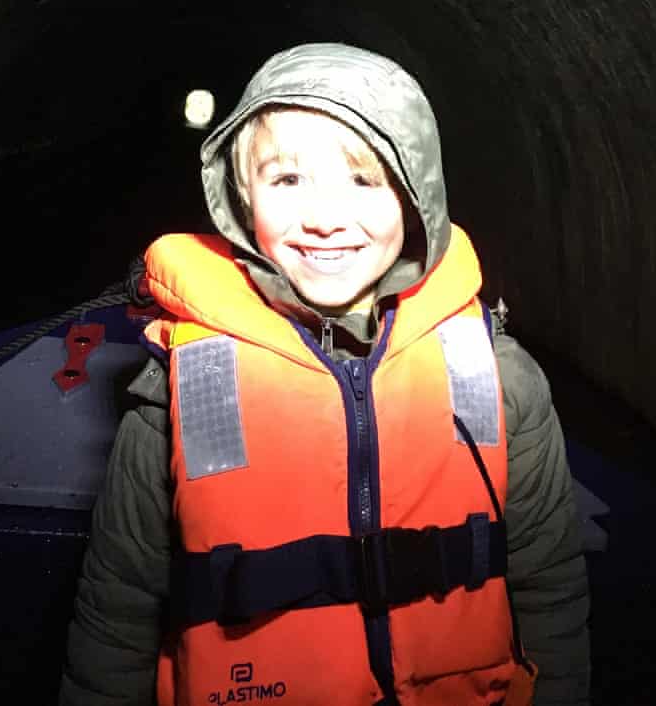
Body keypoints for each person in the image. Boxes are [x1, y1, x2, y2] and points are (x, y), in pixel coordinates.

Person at [59, 43, 590, 705]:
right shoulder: (181, 387)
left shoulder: (500, 375)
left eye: (365, 180)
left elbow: (550, 583)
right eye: (287, 180)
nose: (325, 218)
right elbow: (118, 607)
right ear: (239, 196)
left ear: (418, 196)